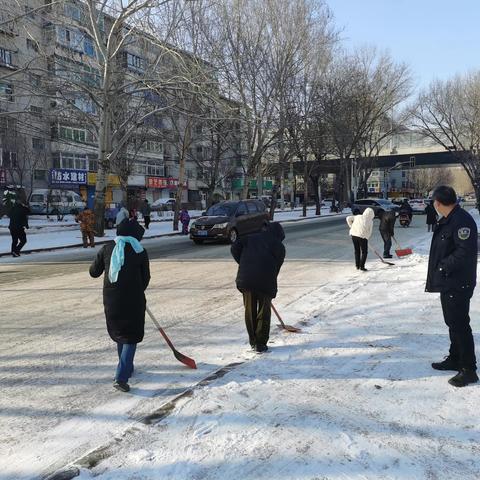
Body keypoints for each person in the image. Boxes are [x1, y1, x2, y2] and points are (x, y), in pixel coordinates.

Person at [89, 218, 150, 392]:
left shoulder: (107, 248)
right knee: (130, 336)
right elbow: (146, 278)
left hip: (111, 299)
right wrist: (137, 290)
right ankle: (121, 377)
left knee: (120, 333)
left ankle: (127, 367)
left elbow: (94, 272)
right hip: (134, 299)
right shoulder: (140, 251)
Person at [426, 185, 478, 387]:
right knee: (452, 323)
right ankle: (455, 358)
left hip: (458, 282)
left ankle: (469, 369)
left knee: (460, 325)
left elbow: (464, 251)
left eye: (434, 202)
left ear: (438, 203)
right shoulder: (450, 219)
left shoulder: (461, 220)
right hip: (449, 281)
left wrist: (442, 266)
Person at [231, 222, 286, 353]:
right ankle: (261, 344)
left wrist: (244, 261)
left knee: (250, 311)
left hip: (246, 279)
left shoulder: (250, 238)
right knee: (264, 312)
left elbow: (234, 248)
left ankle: (253, 342)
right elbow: (276, 268)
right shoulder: (279, 246)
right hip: (265, 280)